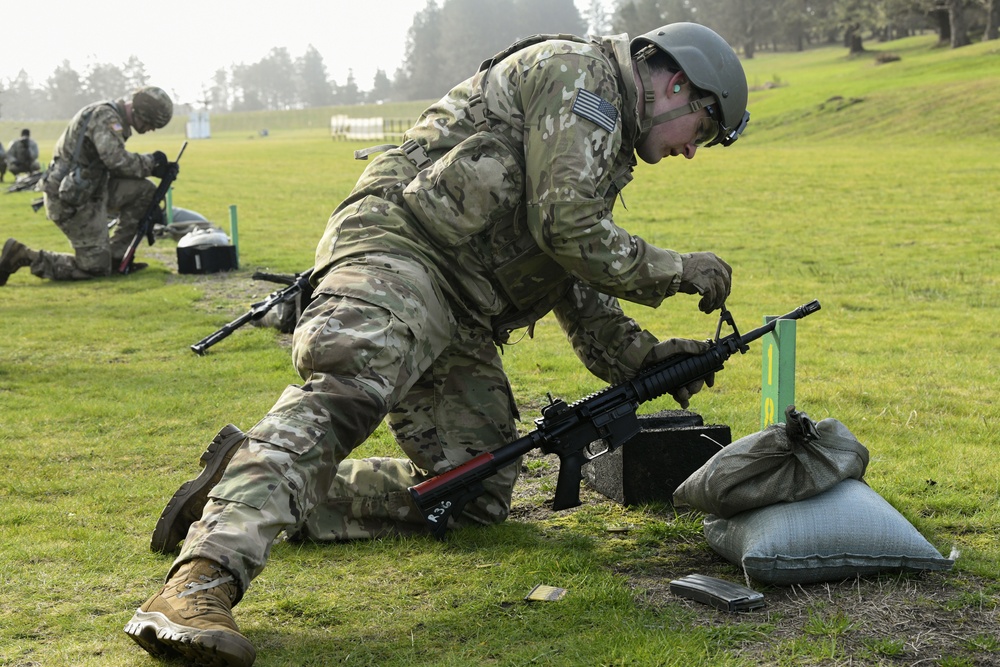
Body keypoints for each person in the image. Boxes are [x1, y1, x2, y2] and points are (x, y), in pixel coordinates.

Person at [124, 22, 749, 666]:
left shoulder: (605, 138)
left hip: (462, 308)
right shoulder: (579, 77)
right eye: (700, 129)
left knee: (471, 489)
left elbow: (571, 272)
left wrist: (643, 359)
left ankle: (246, 480)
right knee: (349, 388)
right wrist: (676, 268)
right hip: (398, 251)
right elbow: (567, 227)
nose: (691, 151)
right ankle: (201, 579)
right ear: (678, 85)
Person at [0, 87, 175, 285]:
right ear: (141, 112)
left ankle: (117, 257)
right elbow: (117, 161)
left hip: (93, 189)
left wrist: (154, 167)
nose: (150, 129)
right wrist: (151, 163)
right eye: (151, 123)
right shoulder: (105, 117)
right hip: (70, 198)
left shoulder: (111, 117)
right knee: (95, 269)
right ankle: (22, 255)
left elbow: (110, 163)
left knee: (145, 192)